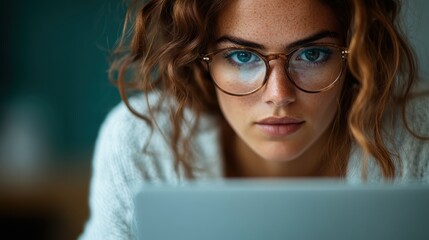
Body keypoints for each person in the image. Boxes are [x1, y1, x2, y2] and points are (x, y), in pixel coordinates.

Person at [79, 0, 429, 239]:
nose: (279, 94)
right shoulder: (143, 143)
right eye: (242, 56)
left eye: (312, 54)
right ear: (201, 59)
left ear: (353, 56)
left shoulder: (418, 134)